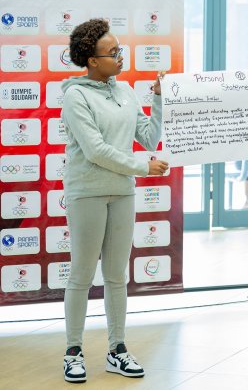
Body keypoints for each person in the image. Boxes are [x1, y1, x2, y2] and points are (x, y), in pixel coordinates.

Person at [60, 19, 169, 383]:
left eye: (120, 50)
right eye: (113, 52)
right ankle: (73, 352)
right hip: (87, 192)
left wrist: (158, 98)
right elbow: (95, 151)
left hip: (122, 191)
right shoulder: (75, 96)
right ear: (92, 60)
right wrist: (142, 167)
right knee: (81, 275)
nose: (121, 57)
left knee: (116, 276)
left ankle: (117, 349)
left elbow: (149, 137)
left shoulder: (125, 91)